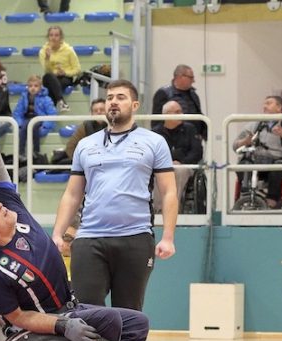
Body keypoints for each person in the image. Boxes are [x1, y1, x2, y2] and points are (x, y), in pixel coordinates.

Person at [0, 95, 151, 341]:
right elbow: (17, 318)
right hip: (52, 319)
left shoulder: (17, 214)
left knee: (138, 322)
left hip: (72, 306)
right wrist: (60, 326)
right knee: (110, 319)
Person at [52, 79, 177, 311]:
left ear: (135, 105)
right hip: (90, 238)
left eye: (120, 97)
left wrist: (168, 236)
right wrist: (58, 232)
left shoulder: (154, 142)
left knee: (128, 314)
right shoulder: (86, 145)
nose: (113, 102)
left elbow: (169, 191)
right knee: (86, 312)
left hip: (135, 237)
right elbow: (72, 193)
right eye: (110, 98)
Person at [232, 95, 282, 208]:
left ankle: (272, 200)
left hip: (280, 161)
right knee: (243, 164)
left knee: (277, 169)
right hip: (258, 160)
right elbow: (235, 146)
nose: (264, 106)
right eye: (264, 103)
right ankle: (246, 195)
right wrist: (245, 141)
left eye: (268, 103)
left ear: (279, 107)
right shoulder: (255, 124)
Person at [152, 100, 203, 212]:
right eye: (177, 112)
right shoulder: (155, 132)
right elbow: (151, 153)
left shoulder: (190, 129)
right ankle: (159, 209)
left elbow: (197, 151)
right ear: (166, 115)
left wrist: (182, 162)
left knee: (179, 171)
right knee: (158, 172)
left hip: (184, 165)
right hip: (162, 165)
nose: (181, 114)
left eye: (181, 111)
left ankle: (173, 208)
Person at [152, 64, 206, 140]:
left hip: (193, 139)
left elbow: (198, 114)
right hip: (173, 139)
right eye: (191, 77)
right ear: (180, 77)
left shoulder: (193, 95)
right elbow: (156, 120)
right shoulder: (164, 93)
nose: (193, 81)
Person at [12, 74, 56, 166]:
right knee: (23, 128)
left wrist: (45, 125)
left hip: (40, 119)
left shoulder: (46, 99)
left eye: (36, 86)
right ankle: (21, 153)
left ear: (40, 87)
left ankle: (36, 152)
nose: (33, 88)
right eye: (30, 86)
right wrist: (19, 123)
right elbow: (17, 112)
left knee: (34, 126)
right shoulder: (23, 98)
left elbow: (52, 114)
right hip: (27, 119)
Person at [52, 97, 106, 166]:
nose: (98, 112)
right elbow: (70, 147)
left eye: (102, 110)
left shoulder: (115, 126)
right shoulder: (85, 126)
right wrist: (80, 162)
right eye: (95, 111)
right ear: (92, 114)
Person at [39, 25, 80, 112]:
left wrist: (64, 73)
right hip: (50, 77)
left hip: (65, 77)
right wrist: (47, 58)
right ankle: (61, 101)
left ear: (61, 37)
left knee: (52, 88)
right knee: (48, 76)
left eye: (56, 35)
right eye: (51, 35)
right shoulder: (43, 51)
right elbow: (46, 70)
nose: (53, 38)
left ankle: (50, 112)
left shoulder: (69, 50)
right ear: (48, 37)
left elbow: (77, 69)